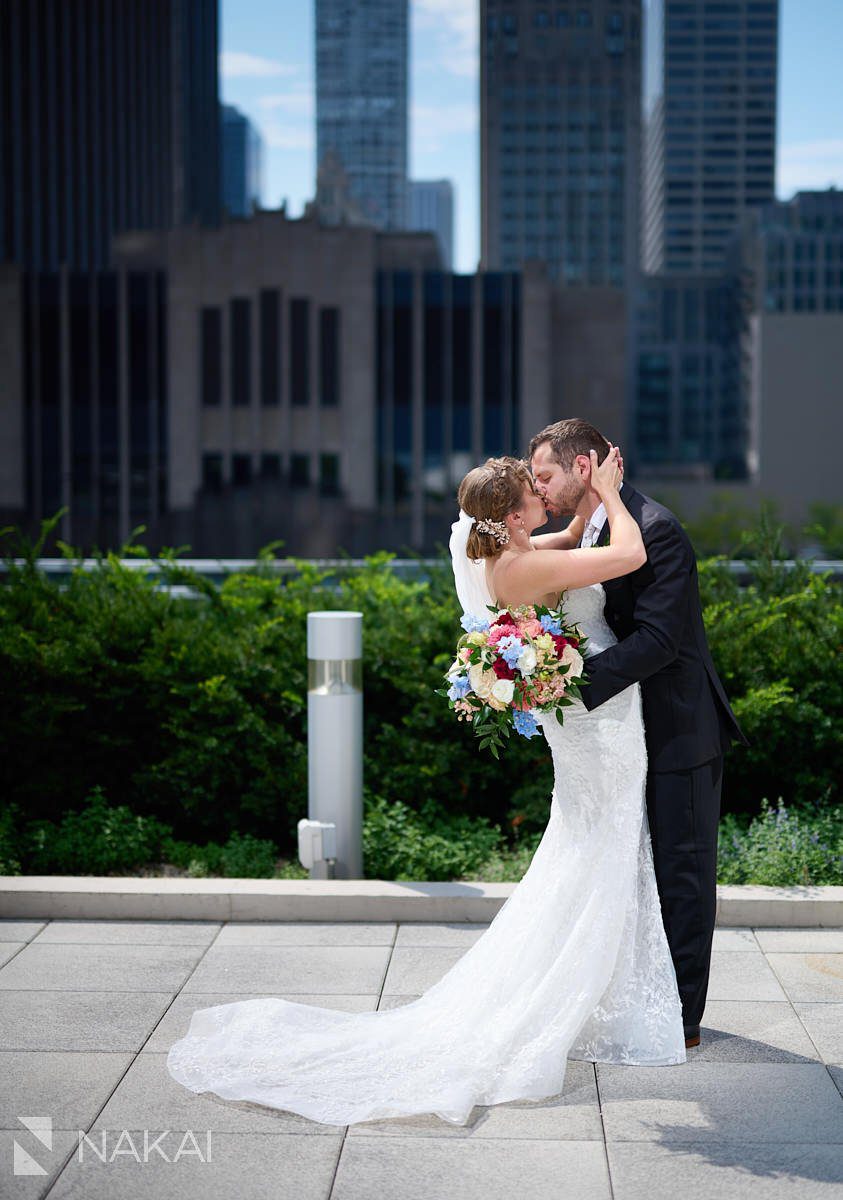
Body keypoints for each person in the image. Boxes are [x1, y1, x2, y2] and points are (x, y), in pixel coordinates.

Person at [166, 445, 688, 1128]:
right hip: (599, 728)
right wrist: (614, 495)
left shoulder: (510, 552)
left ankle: (593, 997)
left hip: (591, 724)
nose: (541, 492)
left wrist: (586, 503)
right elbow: (623, 558)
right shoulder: (524, 564)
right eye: (533, 490)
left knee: (588, 847)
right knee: (599, 848)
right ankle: (581, 1002)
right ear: (510, 515)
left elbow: (569, 540)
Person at [529, 418, 748, 1049]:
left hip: (679, 731)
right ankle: (638, 999)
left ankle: (682, 1022)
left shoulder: (658, 530)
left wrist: (569, 688)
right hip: (623, 738)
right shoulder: (592, 529)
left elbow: (658, 641)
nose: (538, 489)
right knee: (635, 873)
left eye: (545, 475)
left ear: (584, 466)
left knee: (681, 873)